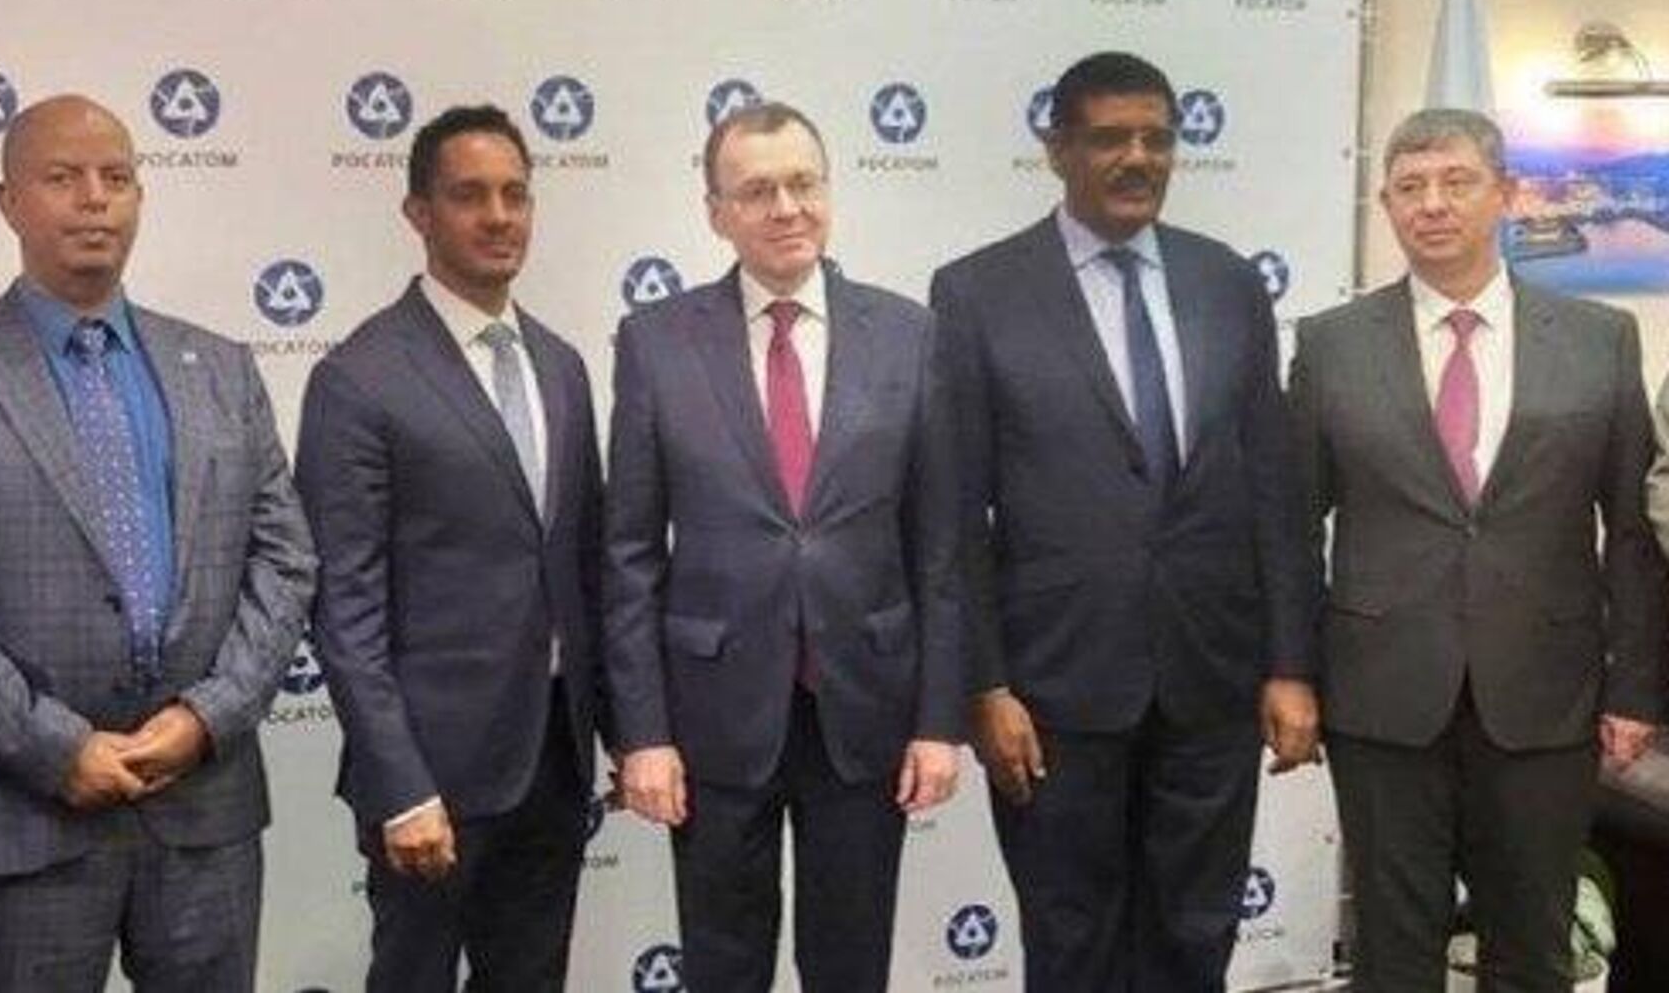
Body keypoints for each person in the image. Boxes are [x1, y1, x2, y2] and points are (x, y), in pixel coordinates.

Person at [0, 94, 317, 992]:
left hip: (202, 812)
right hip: (17, 815)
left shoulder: (222, 367)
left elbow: (285, 558)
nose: (94, 198)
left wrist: (208, 717)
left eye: (117, 177)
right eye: (62, 177)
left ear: (142, 194)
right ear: (7, 202)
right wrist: (55, 747)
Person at [929, 50, 1317, 991]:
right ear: (1057, 149)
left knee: (1196, 935)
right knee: (1073, 945)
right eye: (1109, 138)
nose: (1137, 157)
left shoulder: (1228, 282)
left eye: (1156, 138)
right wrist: (984, 683)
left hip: (1211, 681)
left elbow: (1274, 488)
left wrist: (1291, 663)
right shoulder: (977, 292)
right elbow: (954, 514)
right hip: (1053, 691)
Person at [1292, 107, 1664, 993]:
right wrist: (1292, 673)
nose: (1433, 204)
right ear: (1387, 204)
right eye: (1410, 187)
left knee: (1532, 949)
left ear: (1506, 193)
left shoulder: (1600, 338)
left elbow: (1632, 531)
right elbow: (1291, 524)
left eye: (1457, 182)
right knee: (1393, 952)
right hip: (1381, 696)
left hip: (1548, 695)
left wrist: (1636, 686)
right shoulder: (1331, 345)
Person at [606, 101, 961, 992]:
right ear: (716, 212)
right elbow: (631, 556)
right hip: (714, 713)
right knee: (724, 965)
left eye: (804, 183)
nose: (786, 207)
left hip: (865, 708)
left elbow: (940, 549)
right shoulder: (656, 343)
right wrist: (643, 733)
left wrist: (937, 721)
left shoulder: (908, 335)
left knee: (851, 963)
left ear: (830, 191)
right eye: (757, 190)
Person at [295, 104, 604, 993]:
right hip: (430, 775)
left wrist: (626, 733)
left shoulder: (561, 365)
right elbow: (344, 609)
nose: (499, 216)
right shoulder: (360, 376)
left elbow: (583, 567)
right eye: (470, 195)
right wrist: (400, 784)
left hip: (554, 760)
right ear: (419, 214)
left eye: (515, 194)